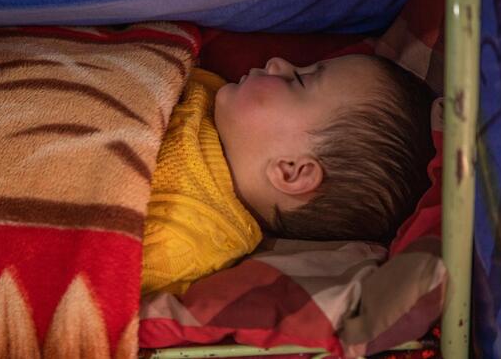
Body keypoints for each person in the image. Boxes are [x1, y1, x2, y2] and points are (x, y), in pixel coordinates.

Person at [142, 54, 435, 295]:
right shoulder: (207, 93)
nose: (278, 63)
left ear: (291, 172)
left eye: (298, 80)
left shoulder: (181, 239)